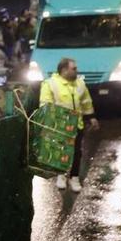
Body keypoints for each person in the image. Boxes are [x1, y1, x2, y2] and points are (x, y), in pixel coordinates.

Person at [40, 58, 99, 193]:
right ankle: (61, 175)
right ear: (64, 70)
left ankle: (74, 177)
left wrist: (91, 117)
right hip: (59, 125)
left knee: (77, 152)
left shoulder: (80, 84)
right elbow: (45, 105)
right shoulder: (50, 84)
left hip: (77, 124)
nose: (77, 71)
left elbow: (86, 102)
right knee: (60, 151)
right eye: (74, 68)